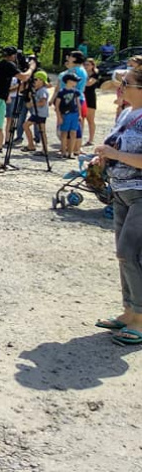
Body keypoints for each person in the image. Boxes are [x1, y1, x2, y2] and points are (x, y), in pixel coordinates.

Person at [93, 66, 142, 345]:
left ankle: (141, 319)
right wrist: (102, 156)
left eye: (127, 83)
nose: (120, 87)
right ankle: (128, 311)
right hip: (122, 192)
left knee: (130, 254)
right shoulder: (127, 112)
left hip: (140, 193)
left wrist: (116, 154)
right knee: (124, 256)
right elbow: (115, 145)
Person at [0, 47, 36, 172]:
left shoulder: (1, 64)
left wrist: (17, 88)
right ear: (13, 56)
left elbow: (4, 86)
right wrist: (32, 67)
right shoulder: (8, 64)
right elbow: (23, 76)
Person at [22, 71, 51, 153]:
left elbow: (43, 102)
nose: (34, 81)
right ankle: (32, 145)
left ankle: (42, 148)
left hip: (40, 113)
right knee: (28, 126)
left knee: (39, 130)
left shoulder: (42, 91)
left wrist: (32, 104)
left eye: (36, 80)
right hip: (36, 113)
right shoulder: (38, 90)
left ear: (42, 81)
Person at [55, 73, 81, 159]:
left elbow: (78, 104)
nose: (76, 83)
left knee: (73, 132)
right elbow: (57, 105)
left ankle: (71, 152)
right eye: (75, 81)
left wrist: (79, 115)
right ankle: (63, 152)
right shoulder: (62, 92)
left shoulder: (76, 92)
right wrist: (59, 116)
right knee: (64, 133)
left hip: (74, 114)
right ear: (69, 81)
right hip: (65, 114)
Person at [84, 57, 99, 146]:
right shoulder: (82, 73)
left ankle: (91, 138)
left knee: (90, 119)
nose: (86, 66)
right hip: (82, 95)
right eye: (85, 64)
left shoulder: (95, 74)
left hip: (90, 97)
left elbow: (89, 83)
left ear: (92, 66)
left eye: (88, 65)